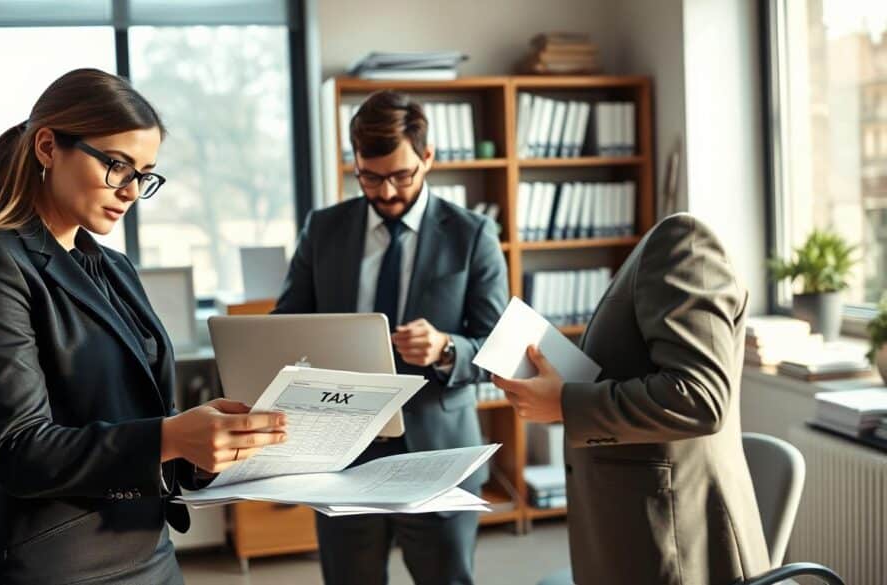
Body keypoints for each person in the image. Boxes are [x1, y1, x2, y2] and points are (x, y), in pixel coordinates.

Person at [0, 68, 287, 585]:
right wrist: (172, 435)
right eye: (118, 166)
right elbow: (21, 453)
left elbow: (136, 419)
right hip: (62, 566)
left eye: (144, 173)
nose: (132, 190)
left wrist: (209, 449)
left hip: (149, 551)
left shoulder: (113, 267)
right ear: (48, 147)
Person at [274, 90, 509, 585]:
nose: (385, 191)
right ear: (355, 163)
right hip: (341, 454)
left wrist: (447, 348)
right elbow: (285, 324)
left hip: (437, 454)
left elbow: (494, 348)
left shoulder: (473, 234)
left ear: (428, 158)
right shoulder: (324, 229)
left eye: (401, 175)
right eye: (370, 176)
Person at [492, 213, 771, 585]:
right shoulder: (654, 249)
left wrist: (565, 402)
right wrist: (561, 389)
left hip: (674, 536)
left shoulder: (683, 242)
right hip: (633, 525)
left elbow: (699, 397)